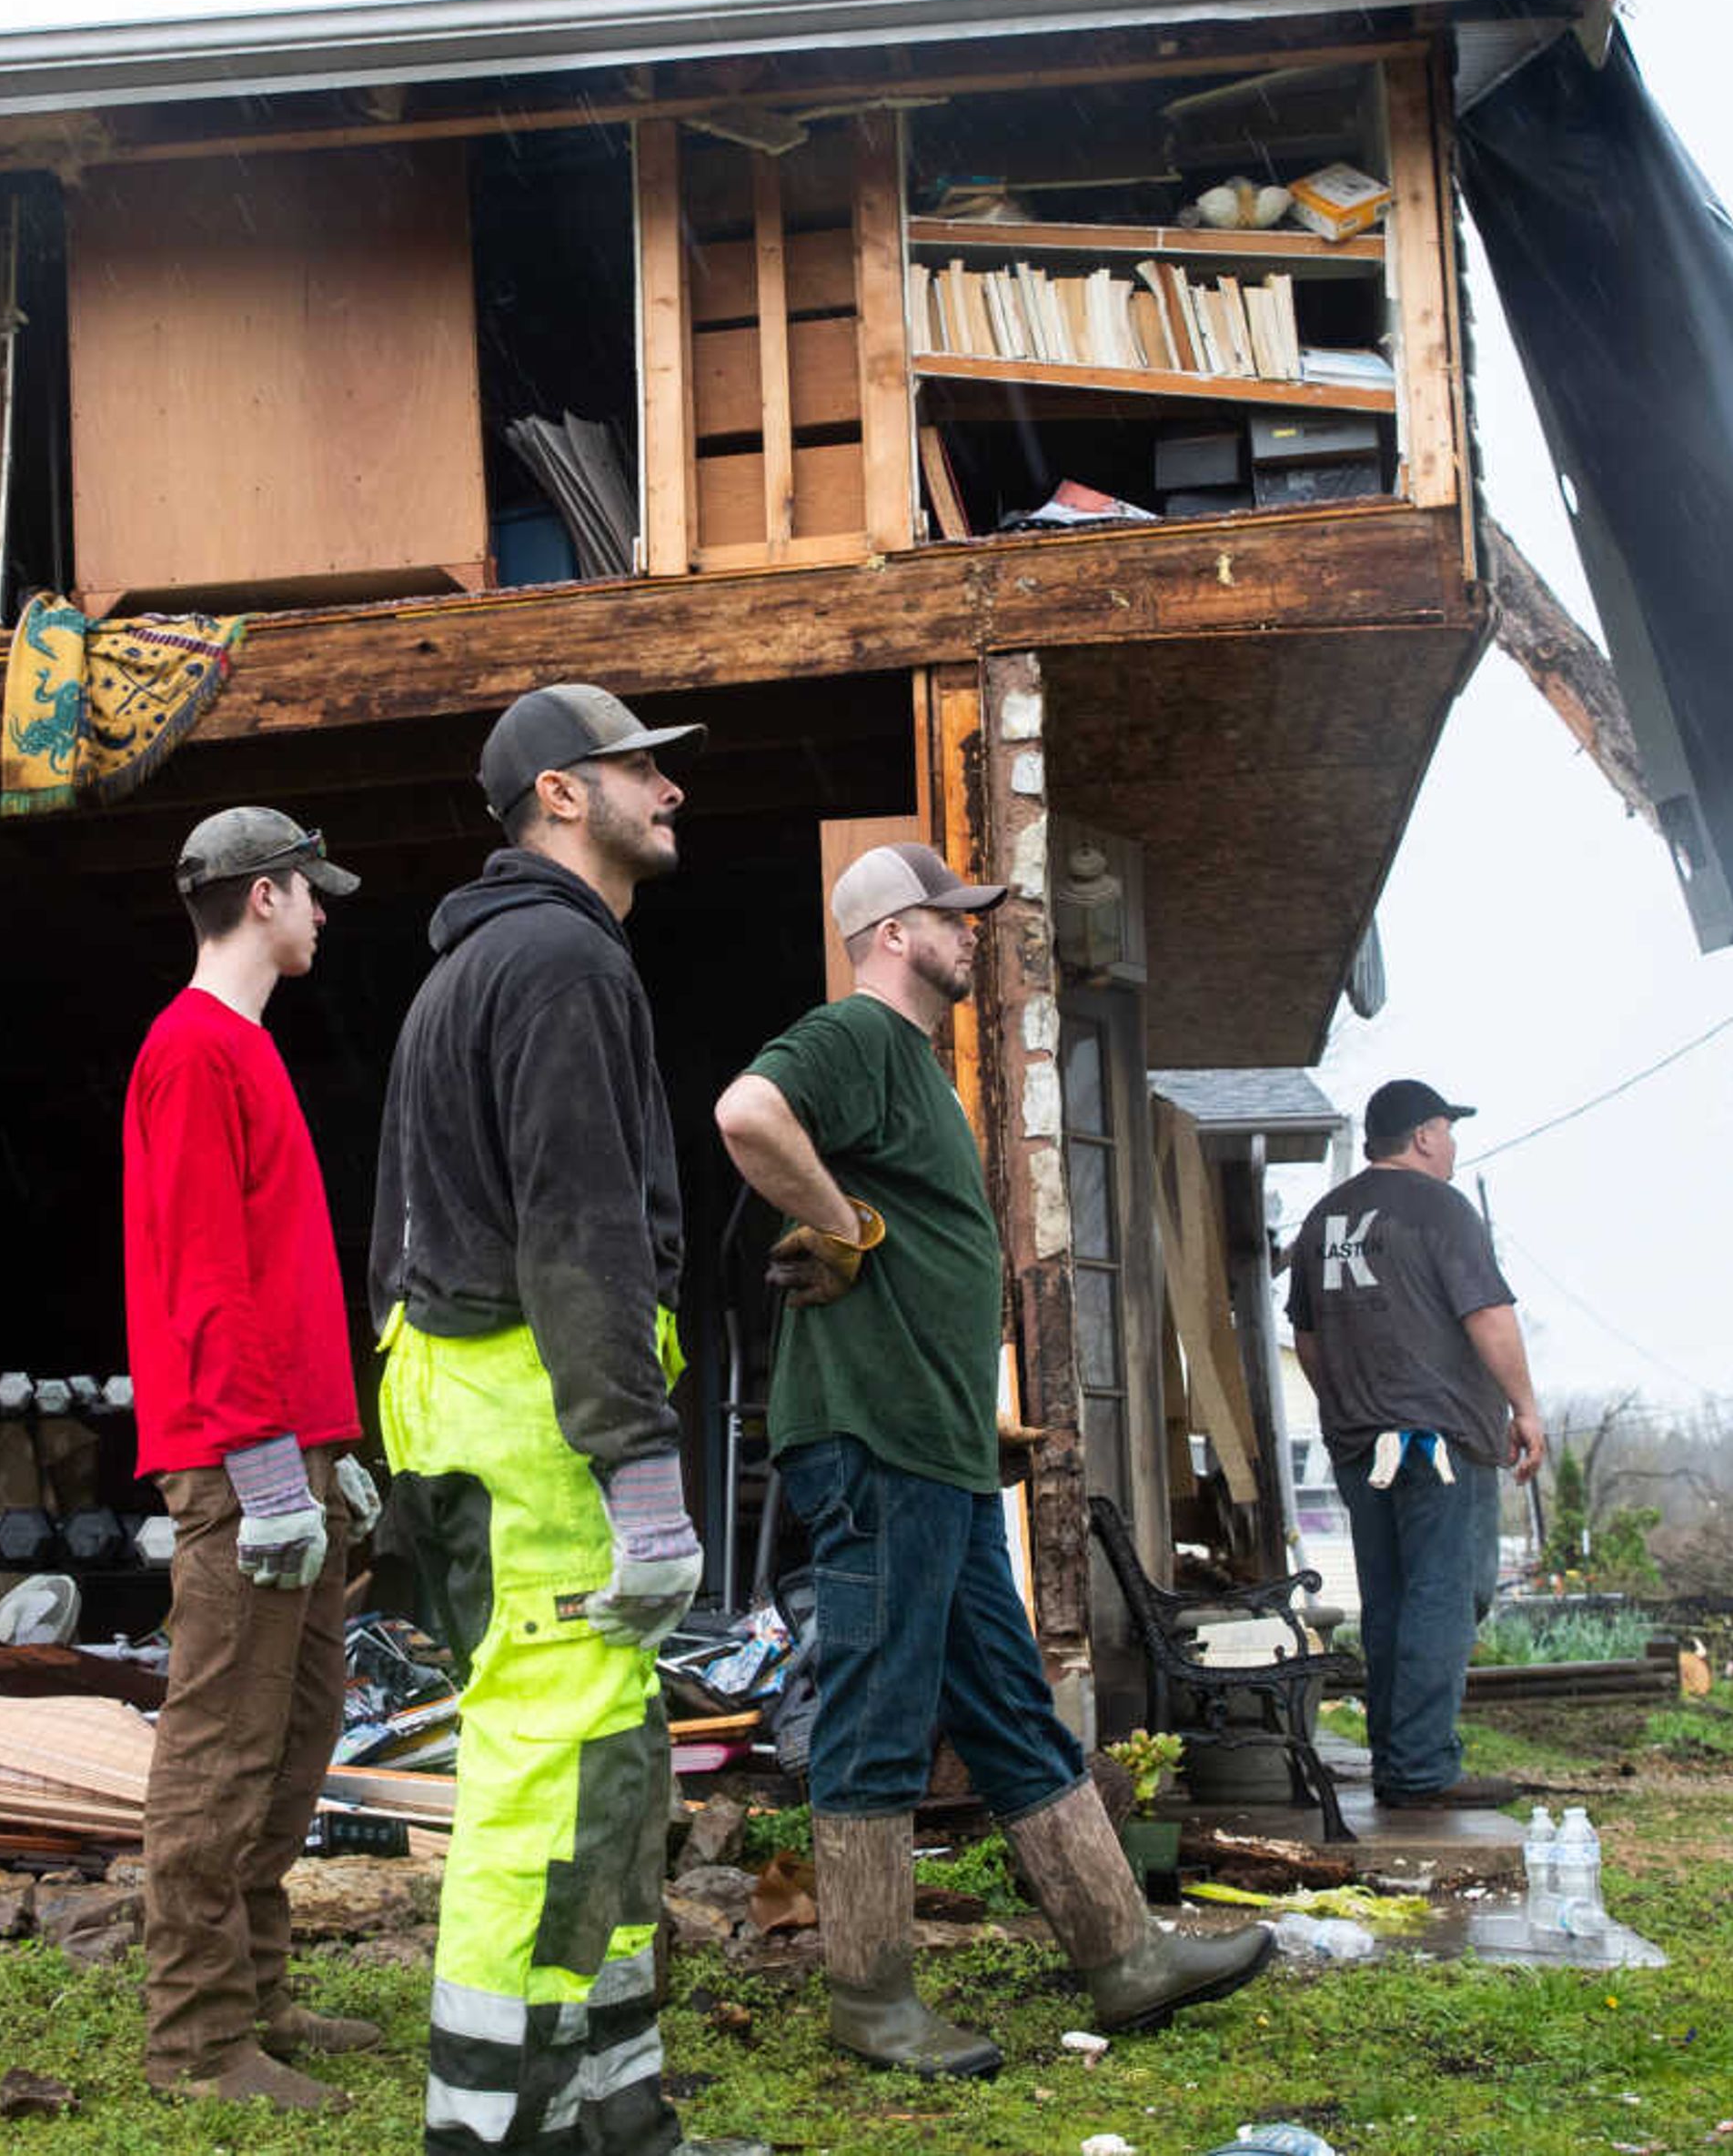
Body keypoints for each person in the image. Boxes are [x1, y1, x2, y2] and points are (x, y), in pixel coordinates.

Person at [714, 841, 1274, 2080]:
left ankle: (1122, 1952)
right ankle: (868, 1995)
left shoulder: (915, 1069)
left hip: (939, 1449)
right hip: (874, 1443)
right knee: (875, 1706)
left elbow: (920, 1268)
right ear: (892, 932)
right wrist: (840, 1221)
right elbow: (747, 1113)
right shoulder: (855, 1036)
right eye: (951, 918)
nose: (972, 934)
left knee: (1011, 1705)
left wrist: (982, 1429)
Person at [368, 683, 758, 2156]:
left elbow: (401, 1234)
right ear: (556, 795)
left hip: (475, 1410)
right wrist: (641, 1474)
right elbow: (582, 1233)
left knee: (606, 1766)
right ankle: (494, 2134)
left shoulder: (477, 974)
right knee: (548, 1773)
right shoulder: (555, 966)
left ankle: (615, 2117)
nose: (671, 789)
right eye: (640, 768)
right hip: (534, 1425)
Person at [122, 805, 383, 2112]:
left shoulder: (245, 1049)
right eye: (313, 895)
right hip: (242, 1460)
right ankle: (198, 2041)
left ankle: (260, 1994)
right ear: (267, 895)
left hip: (292, 1446)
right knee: (218, 1746)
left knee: (294, 1734)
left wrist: (334, 1449)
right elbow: (205, 1281)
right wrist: (271, 1466)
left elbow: (271, 1282)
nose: (324, 914)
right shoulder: (193, 1052)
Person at [1284, 1077, 1549, 1812]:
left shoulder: (1324, 1218)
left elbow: (1306, 1338)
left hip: (1360, 1442)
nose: (1453, 1145)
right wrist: (1524, 1406)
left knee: (1392, 1596)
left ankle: (1400, 1762)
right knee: (1447, 1592)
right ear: (1425, 1135)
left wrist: (1349, 1403)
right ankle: (1422, 1768)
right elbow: (1488, 1313)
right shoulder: (1440, 1208)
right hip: (1437, 1441)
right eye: (1448, 1130)